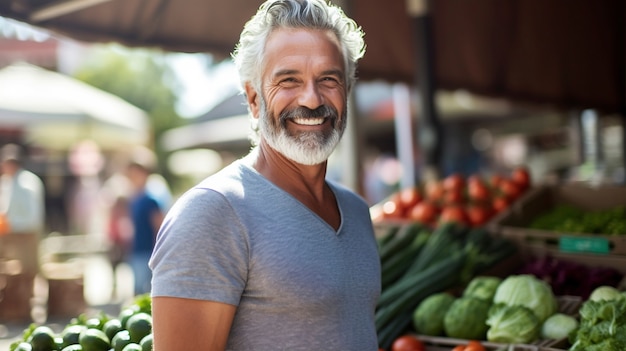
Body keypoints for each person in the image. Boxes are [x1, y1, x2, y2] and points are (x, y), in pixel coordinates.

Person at [149, 0, 381, 350]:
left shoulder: (357, 212)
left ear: (346, 91)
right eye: (289, 80)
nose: (312, 99)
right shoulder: (213, 213)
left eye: (328, 79)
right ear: (254, 99)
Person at [126, 146, 165, 295]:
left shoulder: (151, 199)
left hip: (148, 253)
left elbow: (159, 228)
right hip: (137, 251)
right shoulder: (135, 197)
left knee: (146, 293)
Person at [0, 143, 45, 234]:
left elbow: (33, 217)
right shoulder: (5, 181)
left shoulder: (28, 182)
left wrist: (10, 225)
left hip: (25, 234)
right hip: (8, 234)